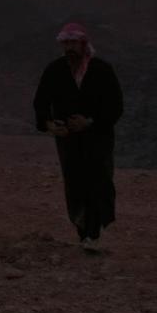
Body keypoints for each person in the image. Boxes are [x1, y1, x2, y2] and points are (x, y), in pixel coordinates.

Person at [33, 22, 124, 252]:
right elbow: (41, 102)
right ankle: (83, 232)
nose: (69, 48)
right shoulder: (55, 70)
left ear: (83, 43)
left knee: (99, 179)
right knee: (74, 183)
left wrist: (90, 121)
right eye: (65, 43)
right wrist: (50, 125)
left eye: (73, 43)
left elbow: (116, 106)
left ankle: (93, 232)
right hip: (68, 139)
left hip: (98, 138)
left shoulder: (101, 70)